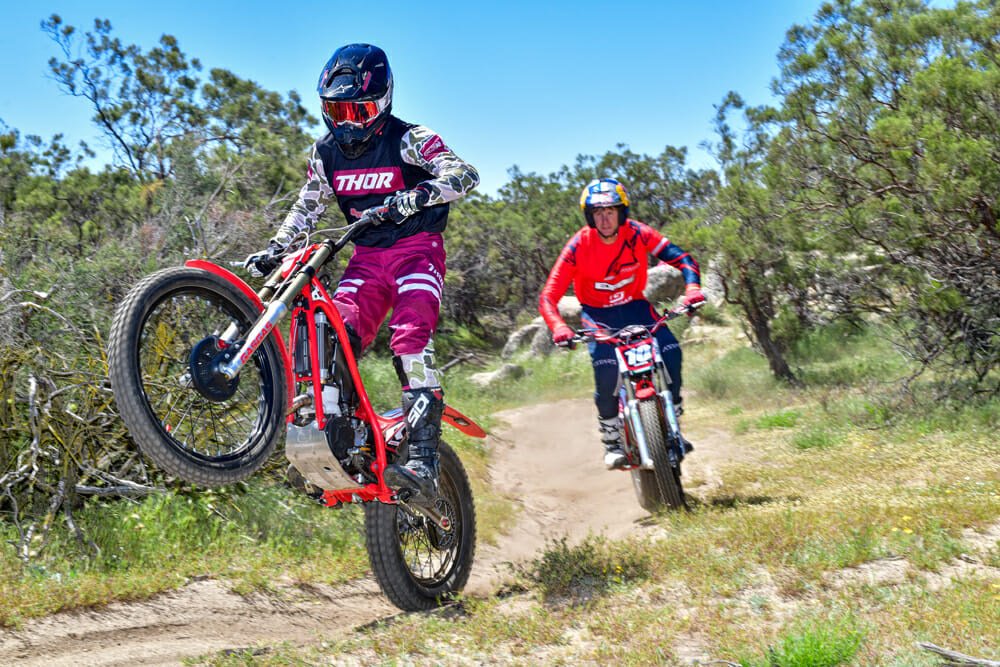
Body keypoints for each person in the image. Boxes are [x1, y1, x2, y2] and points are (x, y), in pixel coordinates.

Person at [244, 43, 479, 502]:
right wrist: (275, 248)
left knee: (410, 340)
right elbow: (306, 208)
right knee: (331, 333)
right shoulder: (324, 153)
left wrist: (422, 193)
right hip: (366, 259)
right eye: (338, 109)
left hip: (417, 252)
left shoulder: (410, 137)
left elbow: (464, 174)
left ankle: (425, 463)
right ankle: (339, 437)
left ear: (384, 101)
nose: (348, 121)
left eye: (360, 109)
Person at [538, 178, 704, 469]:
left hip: (636, 308)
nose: (604, 219)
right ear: (589, 216)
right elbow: (548, 298)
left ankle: (674, 417)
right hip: (598, 317)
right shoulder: (578, 245)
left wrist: (692, 290)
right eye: (597, 213)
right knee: (606, 372)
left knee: (671, 349)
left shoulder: (639, 233)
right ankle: (611, 440)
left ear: (622, 212)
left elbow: (684, 259)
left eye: (610, 211)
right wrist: (559, 327)